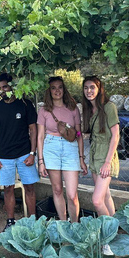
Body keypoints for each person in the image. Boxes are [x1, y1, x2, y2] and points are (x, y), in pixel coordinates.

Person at [0, 73, 39, 232]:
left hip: (25, 154)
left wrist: (32, 153)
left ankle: (33, 222)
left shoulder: (25, 104)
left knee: (29, 188)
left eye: (4, 87)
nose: (2, 91)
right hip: (4, 157)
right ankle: (10, 222)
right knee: (8, 189)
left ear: (12, 86)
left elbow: (33, 129)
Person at [37, 76, 86, 222]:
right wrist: (41, 161)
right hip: (51, 147)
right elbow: (40, 136)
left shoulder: (73, 109)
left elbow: (79, 135)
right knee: (57, 190)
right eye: (53, 87)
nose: (57, 90)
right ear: (49, 90)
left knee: (72, 194)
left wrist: (81, 158)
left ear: (64, 89)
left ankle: (75, 224)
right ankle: (64, 224)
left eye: (60, 87)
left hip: (70, 148)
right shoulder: (44, 110)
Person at [82, 76, 120, 255]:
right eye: (86, 88)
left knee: (97, 201)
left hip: (106, 157)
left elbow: (116, 135)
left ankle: (107, 237)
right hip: (95, 156)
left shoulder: (108, 107)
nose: (89, 91)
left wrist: (107, 162)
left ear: (99, 89)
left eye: (92, 87)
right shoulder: (91, 110)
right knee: (105, 197)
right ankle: (114, 234)